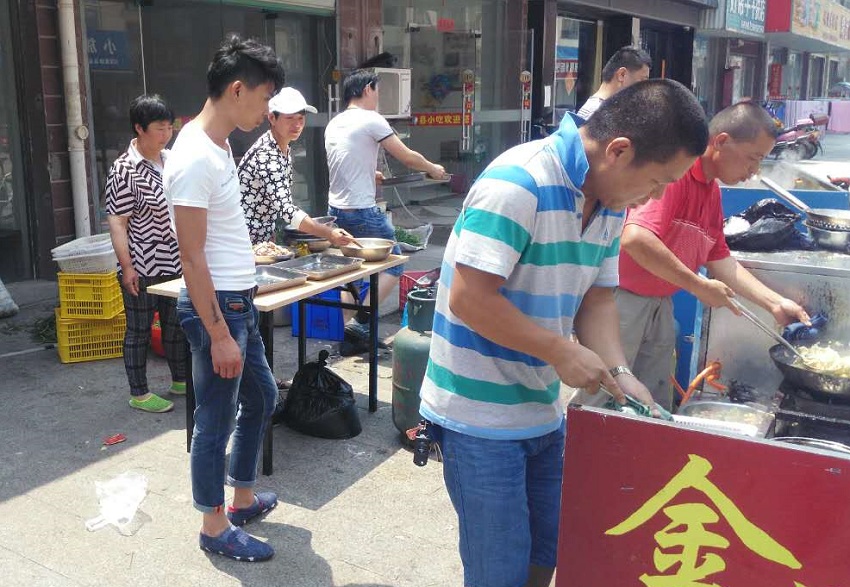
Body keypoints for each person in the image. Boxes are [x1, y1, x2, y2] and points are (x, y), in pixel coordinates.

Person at [418, 79, 709, 587]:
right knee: (498, 571)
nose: (658, 195)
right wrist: (558, 350)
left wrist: (620, 371)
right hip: (478, 416)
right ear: (619, 151)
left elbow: (596, 298)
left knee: (547, 552)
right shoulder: (518, 182)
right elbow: (470, 299)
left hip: (543, 410)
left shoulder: (611, 200)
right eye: (658, 180)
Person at [164, 35, 285, 562]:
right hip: (219, 309)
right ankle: (214, 526)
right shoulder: (194, 155)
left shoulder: (219, 144)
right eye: (265, 98)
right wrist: (217, 334)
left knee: (261, 397)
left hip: (240, 303)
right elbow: (191, 257)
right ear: (237, 90)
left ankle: (241, 499)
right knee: (214, 420)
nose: (267, 111)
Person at [617, 101, 811, 412]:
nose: (754, 171)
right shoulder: (677, 176)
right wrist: (697, 285)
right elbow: (636, 238)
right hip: (622, 303)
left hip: (660, 304)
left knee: (650, 404)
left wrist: (775, 303)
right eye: (753, 158)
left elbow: (720, 258)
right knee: (608, 397)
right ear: (721, 141)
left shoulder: (711, 192)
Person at [324, 69, 447, 340]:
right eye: (377, 91)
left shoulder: (334, 123)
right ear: (367, 89)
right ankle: (360, 322)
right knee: (395, 263)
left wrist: (370, 174)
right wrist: (433, 168)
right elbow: (407, 157)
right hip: (363, 212)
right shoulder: (371, 119)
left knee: (352, 271)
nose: (378, 97)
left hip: (336, 212)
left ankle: (344, 330)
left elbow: (345, 160)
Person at [105, 94, 186, 414]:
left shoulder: (172, 160)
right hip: (142, 262)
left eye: (169, 127)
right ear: (139, 128)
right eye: (159, 128)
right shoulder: (124, 169)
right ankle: (139, 393)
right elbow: (117, 222)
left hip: (175, 259)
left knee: (175, 325)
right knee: (139, 329)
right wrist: (127, 267)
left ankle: (181, 380)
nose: (166, 134)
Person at [238, 87, 355, 248]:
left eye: (301, 118)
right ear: (272, 118)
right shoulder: (267, 155)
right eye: (290, 118)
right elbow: (287, 210)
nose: (297, 124)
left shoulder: (282, 147)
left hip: (261, 240)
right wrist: (329, 233)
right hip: (243, 242)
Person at [576, 45, 652, 120]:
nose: (644, 89)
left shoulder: (600, 110)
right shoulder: (597, 114)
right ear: (622, 74)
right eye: (642, 81)